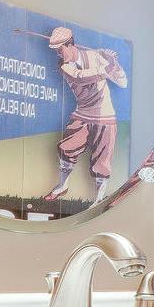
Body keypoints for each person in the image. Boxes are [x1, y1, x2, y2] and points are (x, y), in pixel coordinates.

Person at [43, 26, 127, 203]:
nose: (59, 54)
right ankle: (63, 186)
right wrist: (106, 68)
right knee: (66, 147)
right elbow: (81, 77)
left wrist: (114, 63)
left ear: (70, 45)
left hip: (105, 116)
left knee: (102, 161)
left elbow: (122, 82)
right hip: (82, 114)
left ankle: (98, 199)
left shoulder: (95, 57)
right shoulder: (64, 67)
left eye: (60, 50)